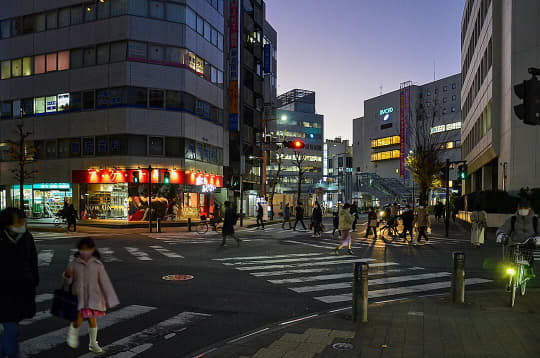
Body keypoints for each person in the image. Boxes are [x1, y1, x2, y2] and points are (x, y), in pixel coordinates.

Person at [64, 237, 119, 354]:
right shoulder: (74, 264)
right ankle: (72, 334)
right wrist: (67, 276)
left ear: (93, 249)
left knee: (92, 320)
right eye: (82, 249)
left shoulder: (97, 264)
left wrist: (111, 299)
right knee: (78, 320)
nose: (85, 251)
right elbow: (67, 281)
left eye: (87, 249)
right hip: (78, 297)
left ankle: (93, 343)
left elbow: (105, 282)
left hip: (93, 297)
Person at [0, 208, 38, 358]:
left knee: (12, 325)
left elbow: (32, 261)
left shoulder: (26, 237)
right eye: (19, 221)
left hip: (21, 289)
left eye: (23, 220)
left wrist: (33, 280)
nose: (23, 223)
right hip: (3, 290)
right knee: (11, 327)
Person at [496, 199, 540, 276]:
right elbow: (503, 228)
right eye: (520, 208)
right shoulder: (512, 219)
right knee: (510, 263)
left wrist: (538, 238)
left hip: (529, 243)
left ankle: (529, 270)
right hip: (514, 243)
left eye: (525, 208)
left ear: (530, 209)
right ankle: (510, 280)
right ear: (517, 209)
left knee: (529, 260)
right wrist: (501, 234)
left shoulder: (535, 220)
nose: (523, 210)